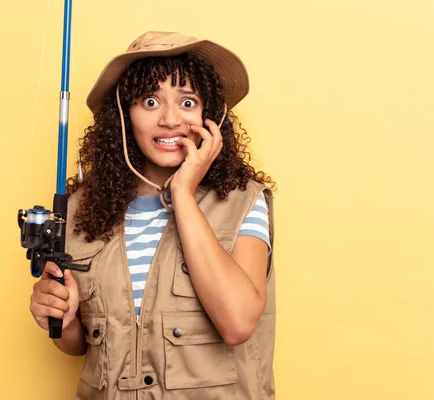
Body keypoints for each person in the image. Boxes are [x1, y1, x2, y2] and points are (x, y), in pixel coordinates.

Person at [29, 31, 276, 399]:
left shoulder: (244, 201)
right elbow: (82, 346)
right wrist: (60, 320)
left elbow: (238, 323)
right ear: (124, 116)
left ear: (211, 115)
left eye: (188, 102)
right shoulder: (80, 211)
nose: (170, 119)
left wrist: (182, 193)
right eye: (149, 101)